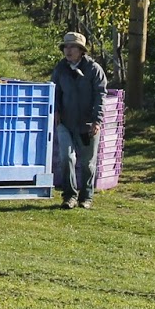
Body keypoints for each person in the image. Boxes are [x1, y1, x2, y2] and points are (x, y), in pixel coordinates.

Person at [50, 31, 107, 209]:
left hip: (87, 124)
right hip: (65, 122)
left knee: (87, 163)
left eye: (72, 46)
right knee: (66, 158)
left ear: (81, 50)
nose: (68, 50)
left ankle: (87, 197)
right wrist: (56, 110)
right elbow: (55, 91)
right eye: (66, 46)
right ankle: (69, 196)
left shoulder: (94, 69)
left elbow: (100, 95)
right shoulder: (61, 68)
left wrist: (97, 120)